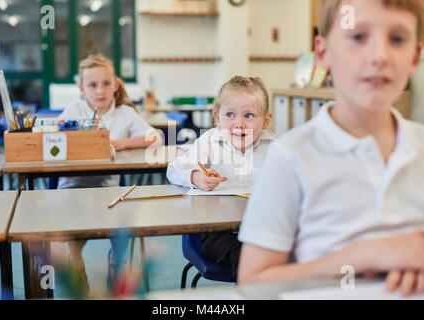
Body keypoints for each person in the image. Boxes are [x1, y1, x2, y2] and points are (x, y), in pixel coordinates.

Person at [238, 0, 424, 297]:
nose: (379, 55)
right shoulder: (290, 156)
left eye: (397, 39)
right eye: (358, 37)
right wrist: (363, 256)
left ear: (415, 56)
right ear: (323, 53)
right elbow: (253, 283)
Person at [57, 53, 162, 290]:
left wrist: (119, 143)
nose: (100, 91)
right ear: (82, 88)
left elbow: (157, 136)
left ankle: (116, 264)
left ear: (115, 85)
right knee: (74, 234)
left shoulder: (125, 114)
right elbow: (55, 138)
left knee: (122, 228)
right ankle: (77, 265)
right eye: (93, 85)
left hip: (108, 191)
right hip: (72, 187)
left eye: (106, 84)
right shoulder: (74, 111)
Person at [167, 76, 274, 278]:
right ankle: (254, 278)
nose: (239, 124)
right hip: (217, 231)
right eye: (230, 115)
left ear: (266, 120)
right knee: (244, 259)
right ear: (217, 117)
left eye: (249, 115)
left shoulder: (276, 148)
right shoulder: (209, 142)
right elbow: (174, 169)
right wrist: (196, 177)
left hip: (262, 227)